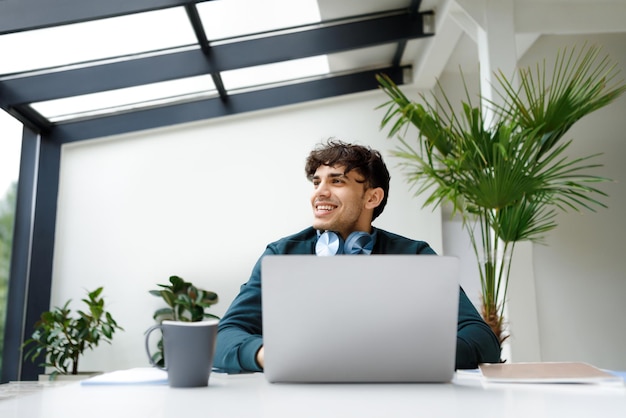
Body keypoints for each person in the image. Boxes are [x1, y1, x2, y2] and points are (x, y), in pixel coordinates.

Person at [214, 139, 501, 373]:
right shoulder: (280, 255)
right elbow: (224, 336)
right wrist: (269, 354)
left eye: (336, 182)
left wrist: (406, 354)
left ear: (372, 198)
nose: (320, 193)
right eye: (316, 183)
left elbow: (481, 338)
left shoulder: (415, 255)